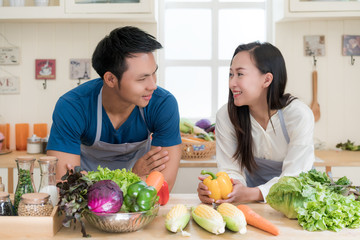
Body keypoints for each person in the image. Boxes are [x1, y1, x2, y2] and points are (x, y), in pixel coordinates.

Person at [47, 26, 182, 191]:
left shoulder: (162, 104)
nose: (153, 86)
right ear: (110, 79)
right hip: (89, 210)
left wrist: (90, 184)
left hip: (138, 207)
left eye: (153, 73)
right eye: (142, 79)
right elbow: (65, 186)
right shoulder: (73, 107)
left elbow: (162, 185)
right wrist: (134, 175)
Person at [197, 42, 315, 203]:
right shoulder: (226, 116)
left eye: (240, 74)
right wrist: (222, 189)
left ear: (267, 80)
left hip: (295, 202)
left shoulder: (299, 115)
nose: (232, 83)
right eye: (230, 74)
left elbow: (294, 177)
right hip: (251, 203)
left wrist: (252, 194)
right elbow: (230, 170)